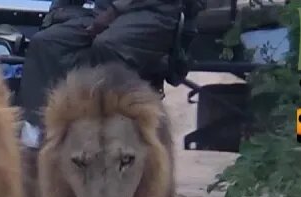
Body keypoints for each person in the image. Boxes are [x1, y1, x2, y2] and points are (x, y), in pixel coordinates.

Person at [18, 0, 189, 147]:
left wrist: (112, 12)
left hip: (151, 10)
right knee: (45, 42)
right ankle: (36, 132)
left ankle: (105, 126)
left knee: (106, 45)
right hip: (105, 10)